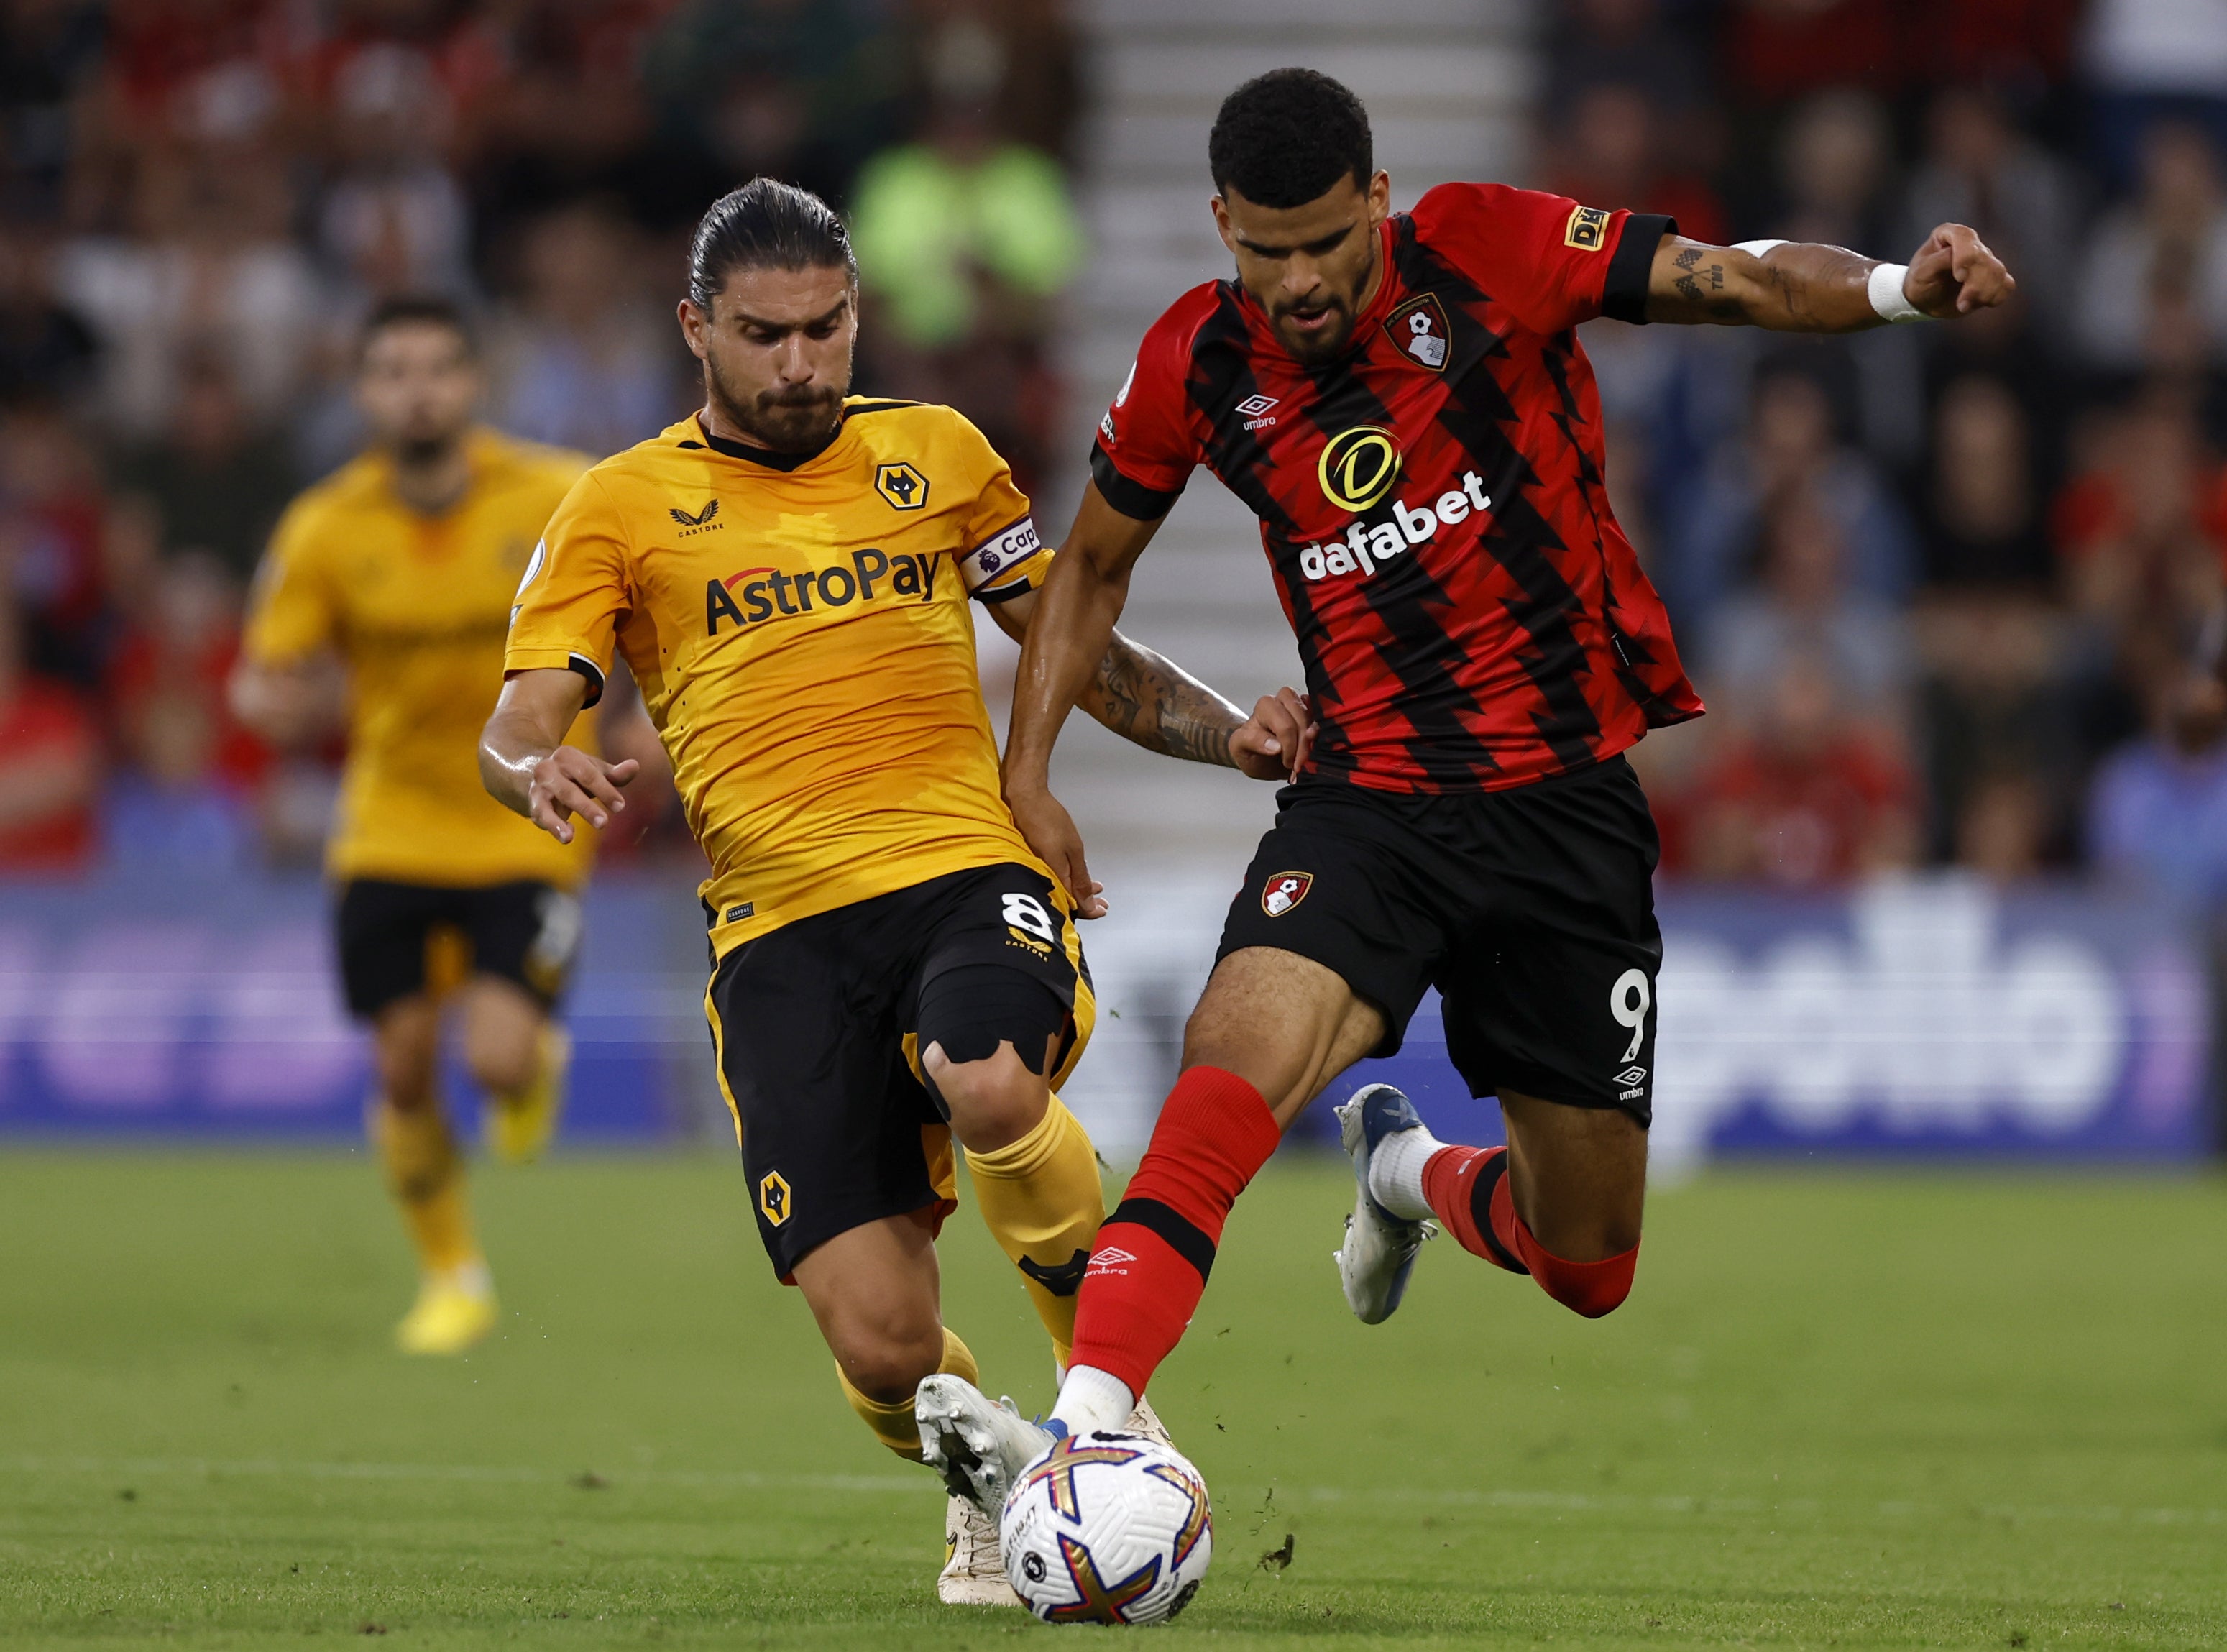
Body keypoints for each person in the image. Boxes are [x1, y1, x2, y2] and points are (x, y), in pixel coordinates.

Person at [916, 66, 2014, 1508]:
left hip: (1563, 805)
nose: (1300, 281)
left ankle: (1408, 1178)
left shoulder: (1490, 250)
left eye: (1326, 242)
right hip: (1365, 799)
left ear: (1378, 202)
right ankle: (1085, 1436)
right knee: (1225, 1081)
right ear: (1219, 226)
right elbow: (1091, 570)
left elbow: (1727, 280)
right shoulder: (1196, 361)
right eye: (1266, 250)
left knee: (1588, 1265)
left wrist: (1891, 295)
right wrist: (1033, 771)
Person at [478, 180, 1288, 1606]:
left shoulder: (936, 455)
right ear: (695, 330)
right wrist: (532, 767)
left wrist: (1227, 736)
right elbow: (520, 714)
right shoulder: (618, 504)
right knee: (879, 1347)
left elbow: (1076, 646)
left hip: (957, 868)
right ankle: (994, 1485)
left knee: (985, 1080)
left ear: (856, 315)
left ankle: (1104, 1395)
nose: (800, 363)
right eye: (764, 335)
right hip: (777, 935)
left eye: (826, 328)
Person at [231, 296, 602, 1358]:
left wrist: (626, 723)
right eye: (393, 370)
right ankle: (453, 1274)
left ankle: (530, 1065)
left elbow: (633, 613)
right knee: (400, 1067)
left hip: (519, 816)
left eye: (438, 368)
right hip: (387, 827)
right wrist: (273, 704)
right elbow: (269, 676)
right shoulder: (325, 526)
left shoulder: (550, 494)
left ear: (474, 381)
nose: (418, 389)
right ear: (364, 390)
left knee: (492, 1059)